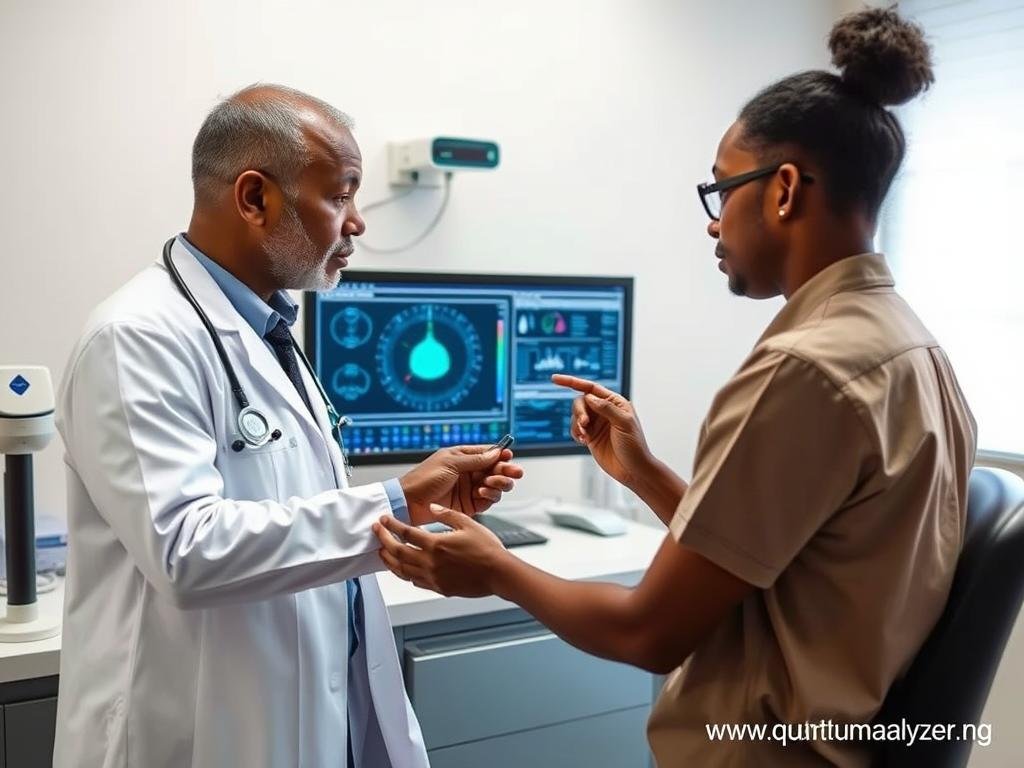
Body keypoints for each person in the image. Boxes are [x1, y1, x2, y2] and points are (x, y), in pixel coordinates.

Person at [373, 9, 976, 767]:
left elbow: (647, 633)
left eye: (721, 192)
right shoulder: (910, 345)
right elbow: (781, 560)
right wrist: (645, 473)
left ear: (784, 190)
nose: (714, 225)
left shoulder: (805, 370)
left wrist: (495, 570)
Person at [54, 84, 523, 768]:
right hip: (193, 736)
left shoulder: (268, 330)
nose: (358, 223)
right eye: (341, 195)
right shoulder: (135, 337)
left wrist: (409, 510)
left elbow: (290, 514)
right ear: (254, 198)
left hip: (300, 721)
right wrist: (393, 503)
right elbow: (185, 551)